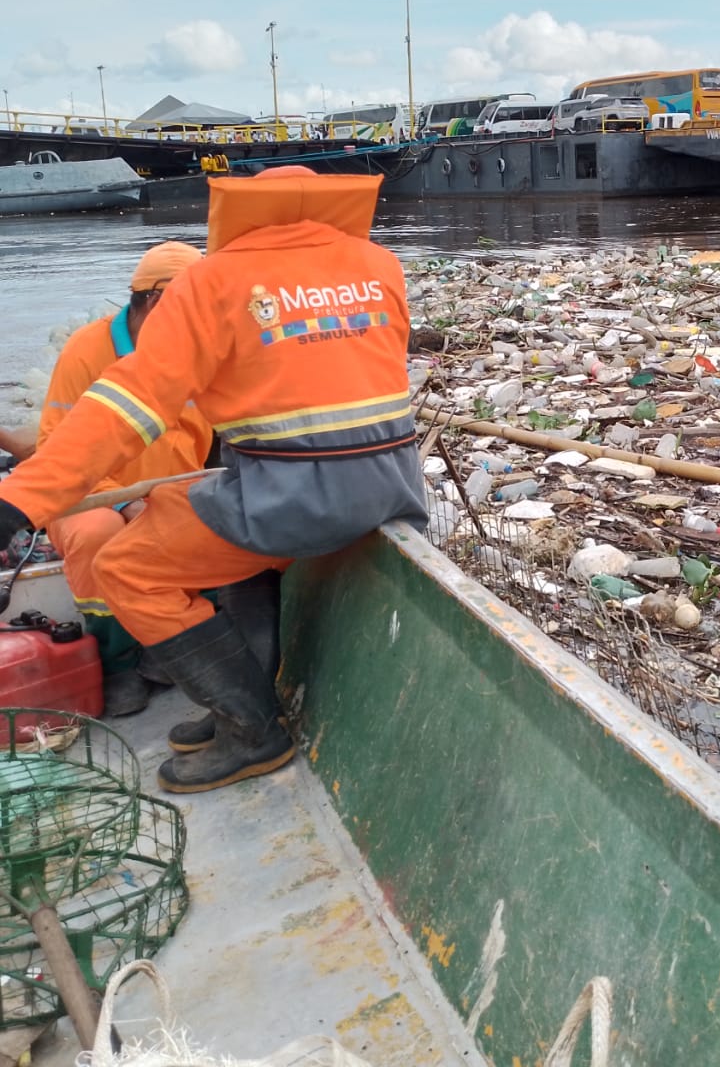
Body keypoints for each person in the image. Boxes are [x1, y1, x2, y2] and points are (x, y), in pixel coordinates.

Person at [0, 167, 428, 794]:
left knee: (126, 568)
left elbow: (126, 409)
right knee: (182, 503)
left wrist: (20, 501)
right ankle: (241, 696)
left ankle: (254, 730)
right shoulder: (379, 265)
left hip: (293, 500)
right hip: (393, 487)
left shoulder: (214, 280)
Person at [36, 242, 212, 718]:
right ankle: (115, 664)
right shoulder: (86, 353)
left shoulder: (201, 352)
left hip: (172, 493)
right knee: (102, 536)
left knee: (238, 526)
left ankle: (168, 647)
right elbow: (57, 453)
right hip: (89, 500)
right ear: (155, 303)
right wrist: (121, 504)